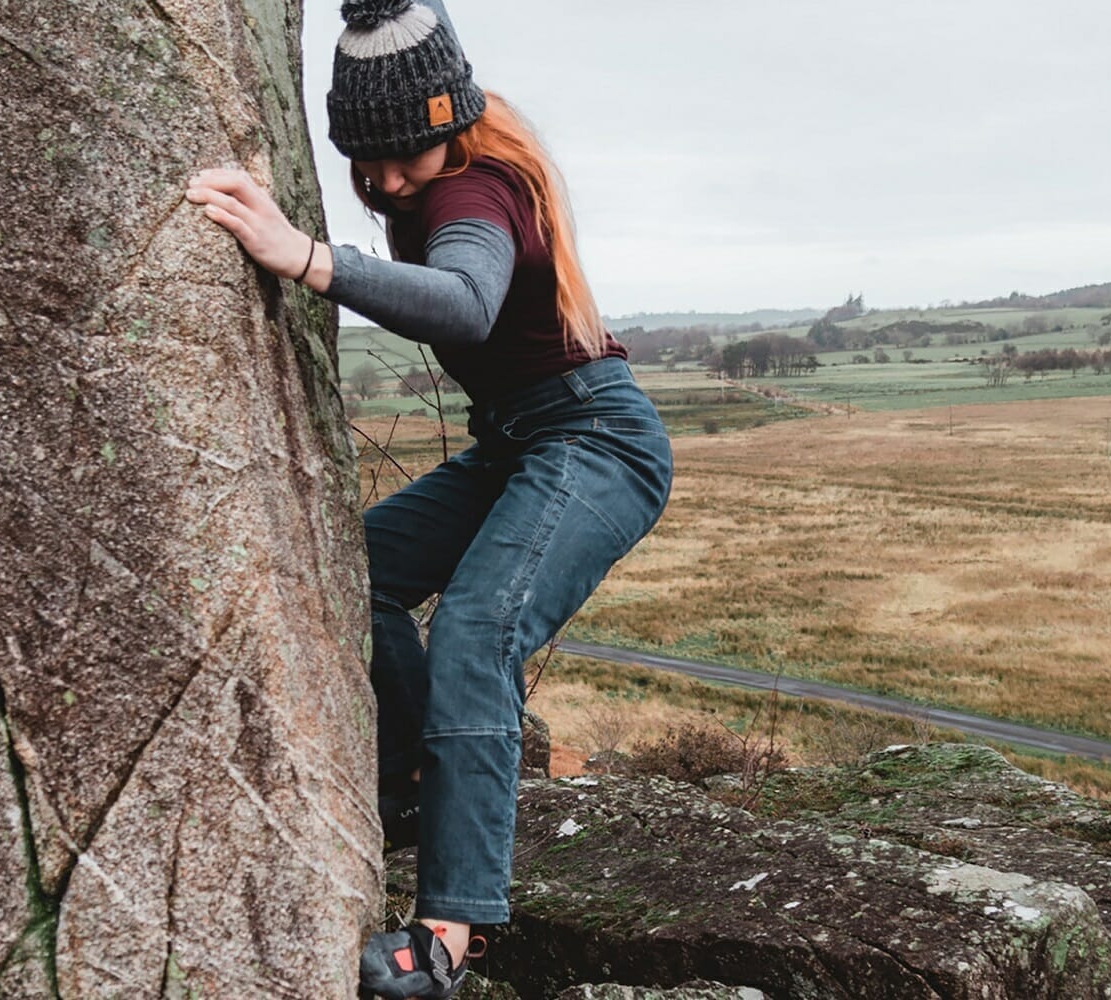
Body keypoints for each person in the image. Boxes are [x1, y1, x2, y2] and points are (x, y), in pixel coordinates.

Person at [186, 1, 672, 995]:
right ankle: (412, 781)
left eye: (407, 155)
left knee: (477, 633)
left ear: (452, 118)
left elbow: (462, 300)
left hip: (595, 440)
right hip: (516, 442)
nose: (390, 180)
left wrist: (308, 257)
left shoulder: (477, 190)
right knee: (354, 573)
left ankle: (448, 932)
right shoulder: (437, 178)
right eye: (368, 163)